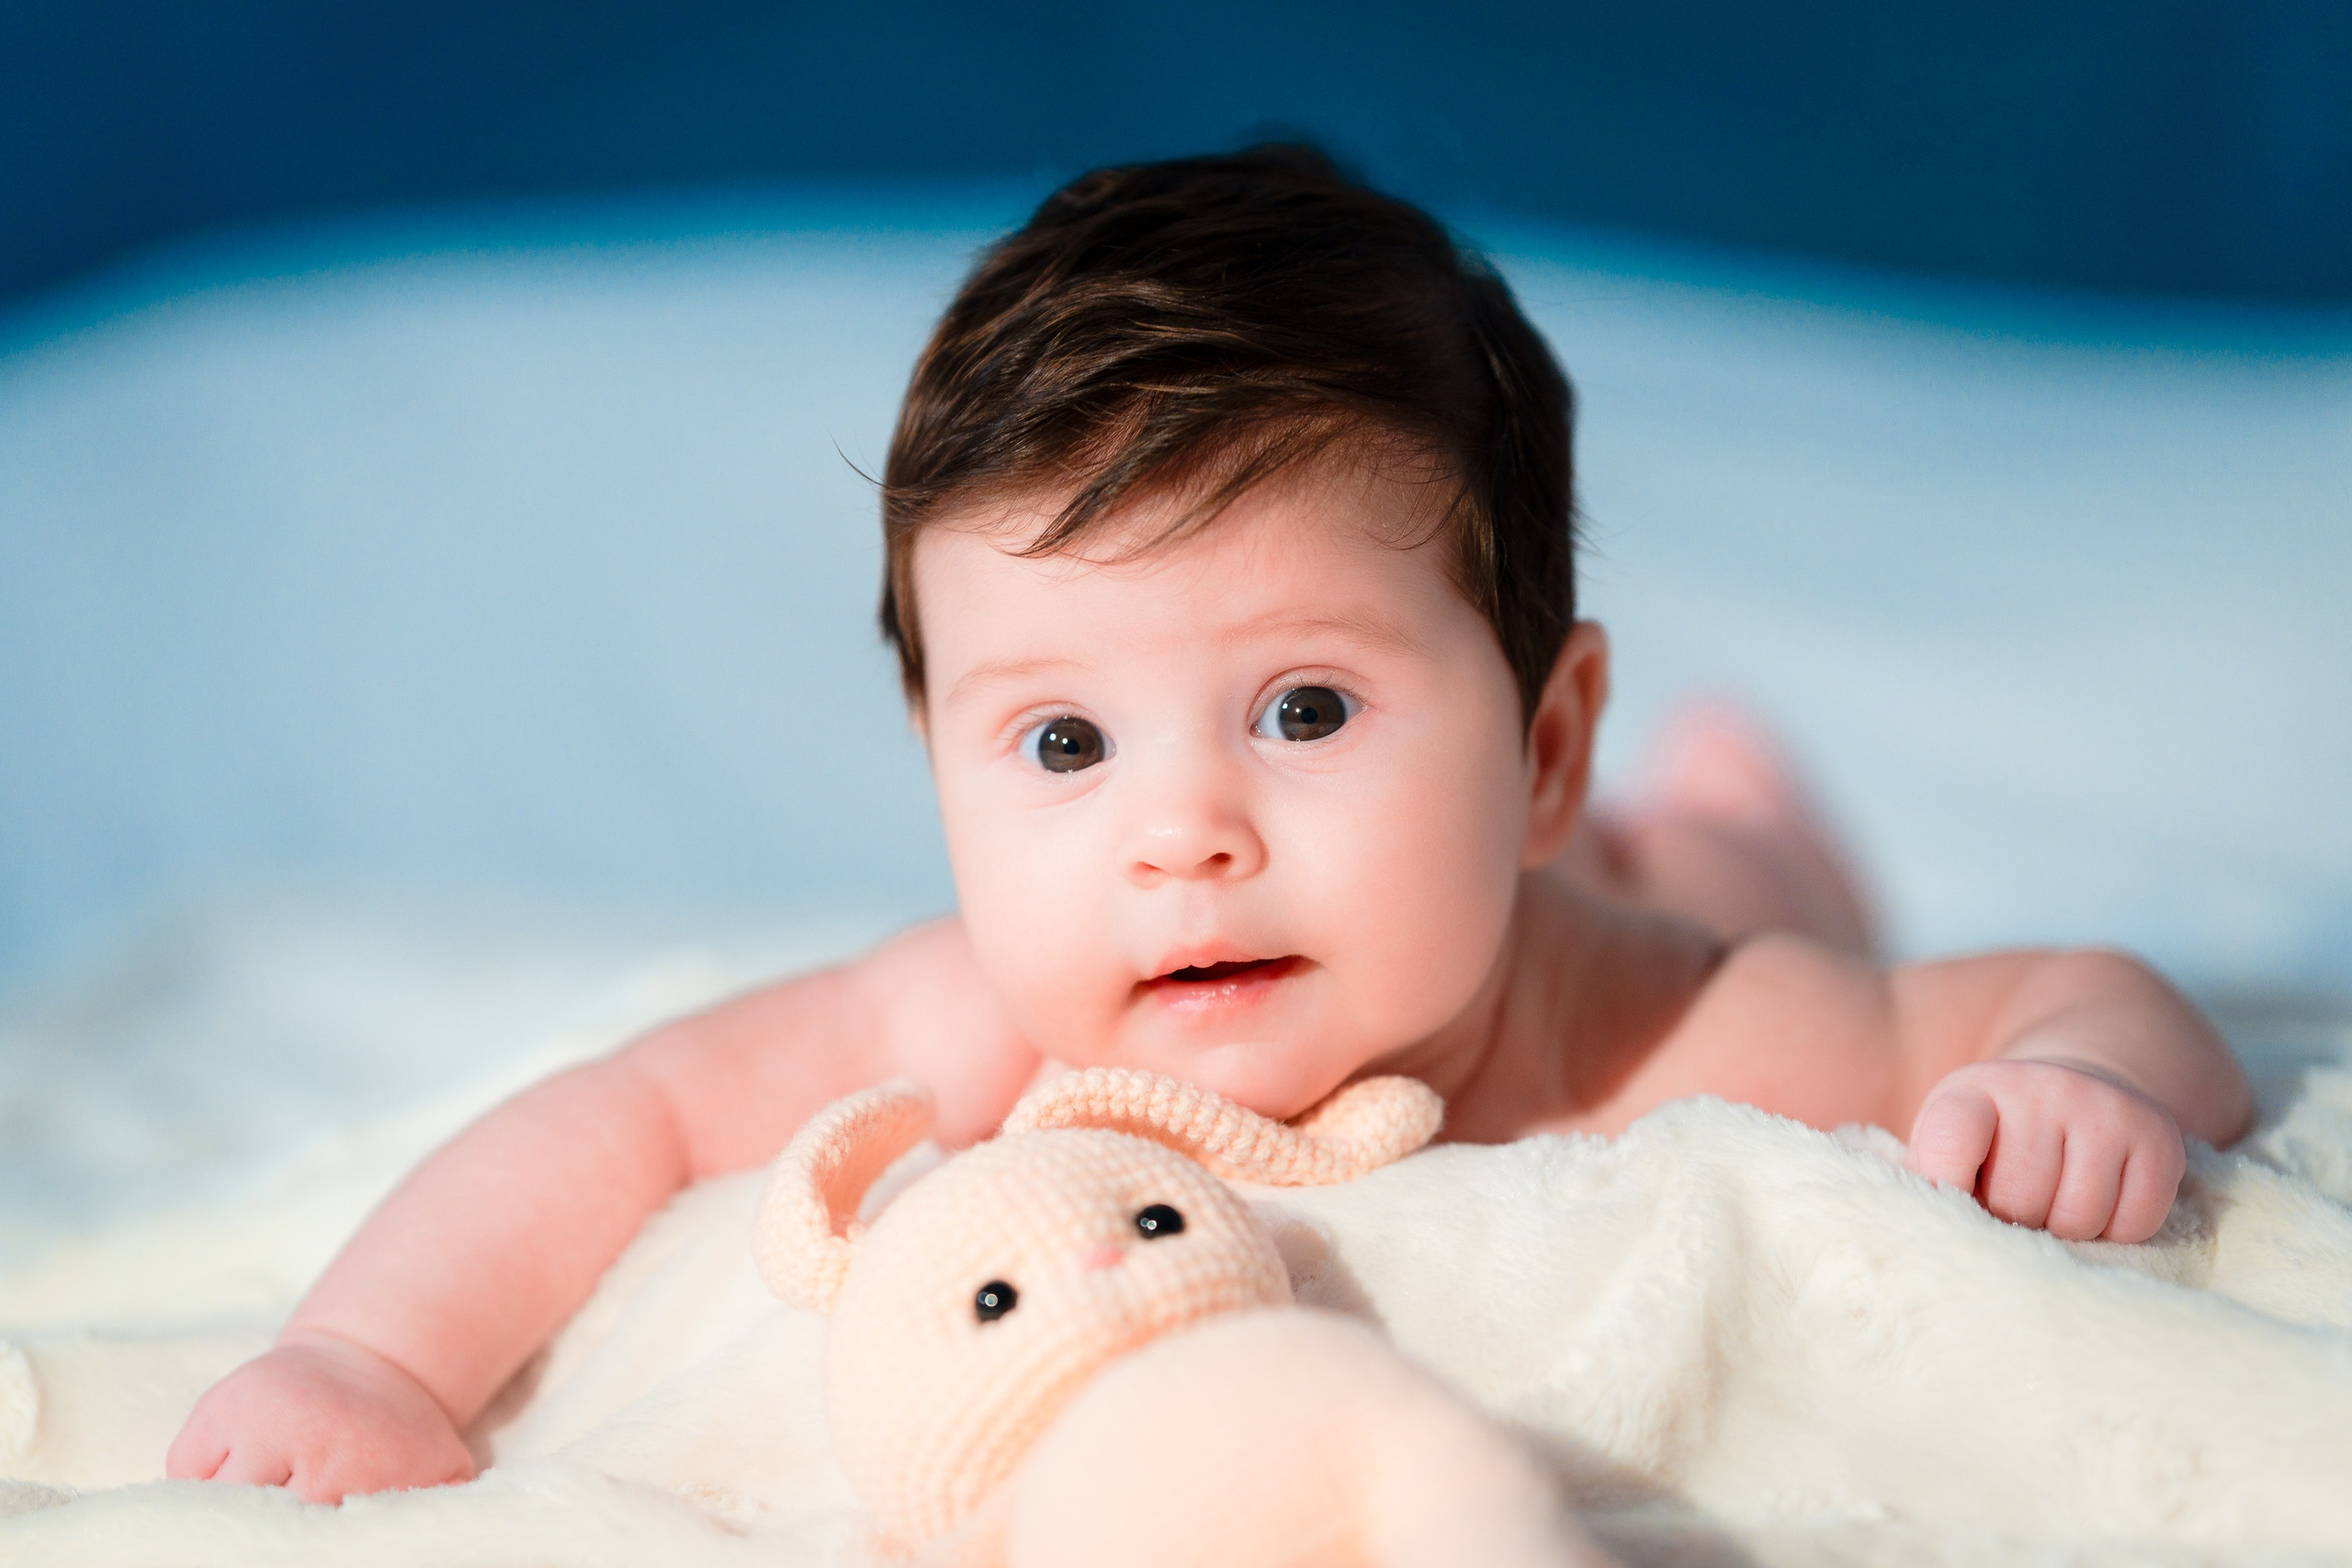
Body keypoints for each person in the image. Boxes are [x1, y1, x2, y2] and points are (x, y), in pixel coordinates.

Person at [167, 147, 2253, 1504]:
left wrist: (2074, 1077)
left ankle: (1731, 807)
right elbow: (625, 1112)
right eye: (1061, 744)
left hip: (1621, 896)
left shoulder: (1682, 1030)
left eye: (1303, 709)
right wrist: (368, 1354)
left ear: (1536, 743)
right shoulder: (969, 1014)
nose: (1182, 835)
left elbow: (2086, 992)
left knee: (1722, 873)